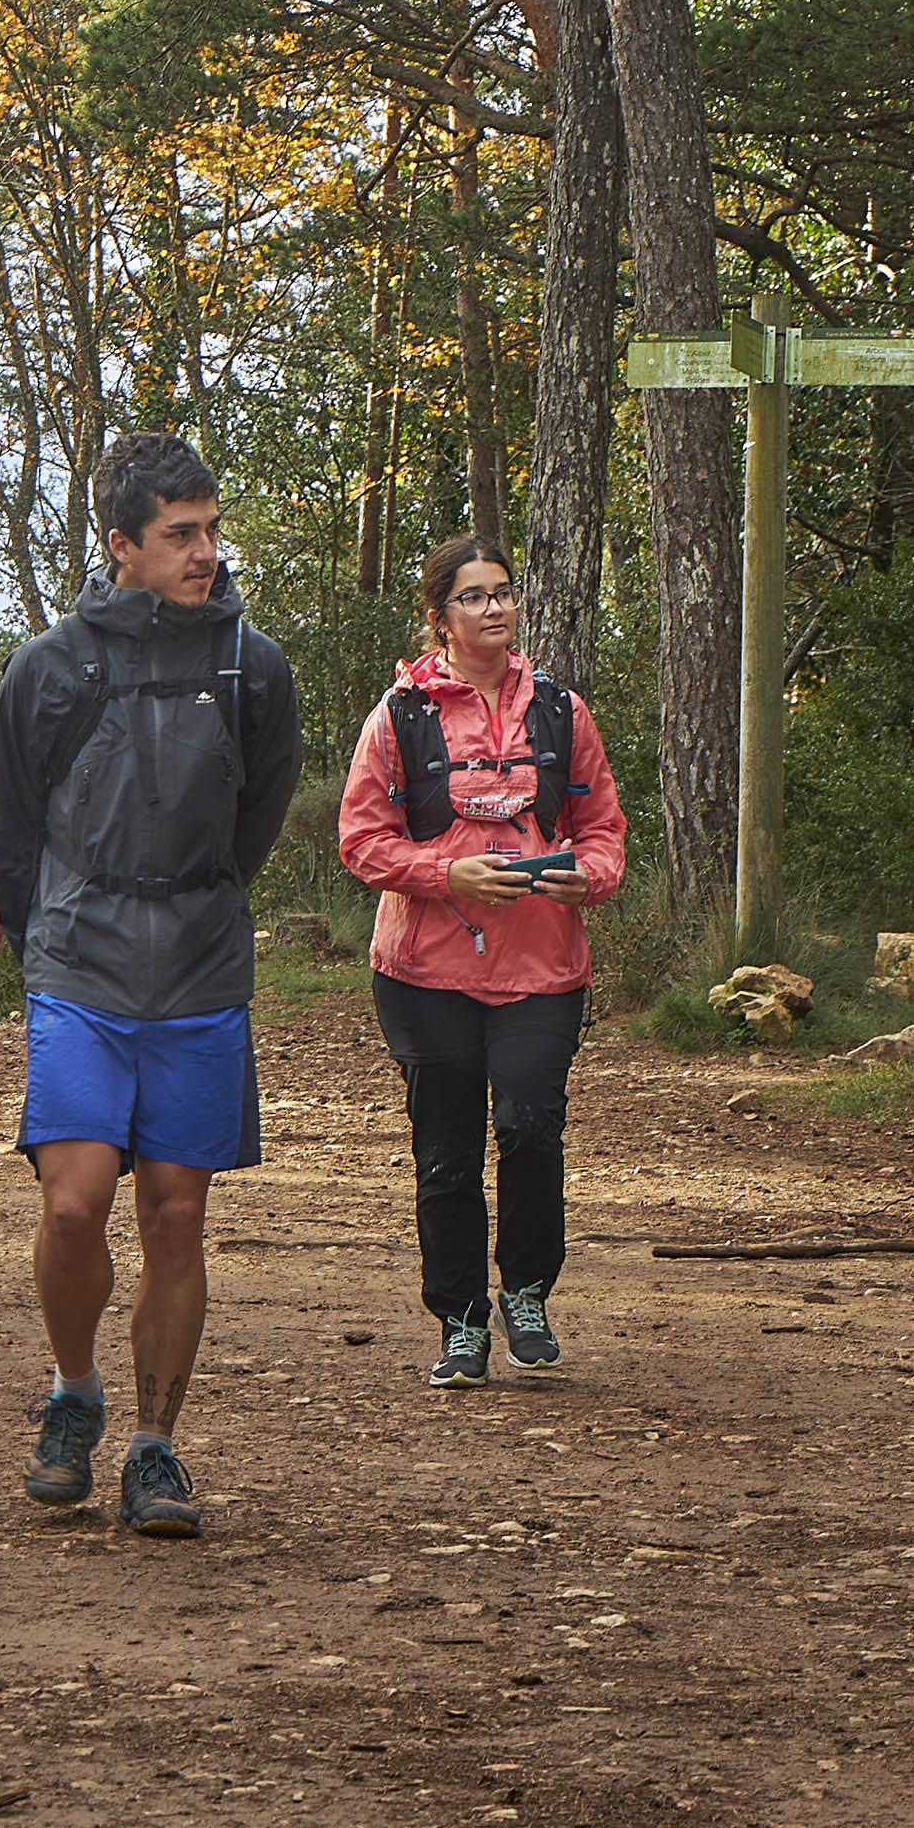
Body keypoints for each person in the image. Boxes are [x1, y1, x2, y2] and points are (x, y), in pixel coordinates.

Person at [0, 431, 303, 1538]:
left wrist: (198, 900)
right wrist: (49, 932)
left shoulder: (252, 666)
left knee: (175, 1219)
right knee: (73, 1206)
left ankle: (155, 1448)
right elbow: (12, 823)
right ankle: (74, 1392)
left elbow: (257, 814)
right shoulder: (51, 665)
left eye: (212, 528)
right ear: (123, 544)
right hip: (80, 959)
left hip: (202, 966)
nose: (206, 550)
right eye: (181, 533)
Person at [334, 533, 628, 1388]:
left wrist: (590, 878)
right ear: (439, 618)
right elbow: (360, 840)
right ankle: (460, 1321)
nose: (494, 607)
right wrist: (443, 871)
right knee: (448, 1151)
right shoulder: (398, 717)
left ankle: (527, 1291)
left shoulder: (562, 711)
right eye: (474, 595)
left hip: (542, 967)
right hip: (425, 974)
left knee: (530, 1124)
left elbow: (602, 827)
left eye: (503, 591)